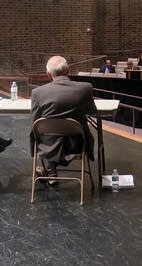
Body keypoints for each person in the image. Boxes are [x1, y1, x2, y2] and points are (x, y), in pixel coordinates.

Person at [30, 55, 97, 185]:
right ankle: (51, 171)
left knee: (50, 133)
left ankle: (51, 170)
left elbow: (34, 122)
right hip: (77, 144)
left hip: (47, 146)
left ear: (48, 75)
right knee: (60, 132)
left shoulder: (37, 93)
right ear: (68, 70)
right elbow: (92, 112)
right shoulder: (85, 88)